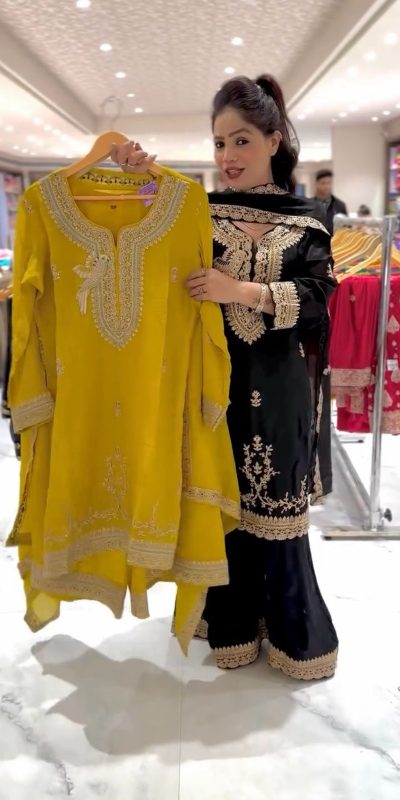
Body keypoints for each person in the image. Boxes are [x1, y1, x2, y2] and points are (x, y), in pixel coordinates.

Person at [111, 74, 339, 680]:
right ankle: (230, 619)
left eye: (241, 141)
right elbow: (152, 244)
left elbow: (319, 302)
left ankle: (293, 633)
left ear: (273, 140)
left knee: (280, 511)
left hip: (282, 386)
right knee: (224, 505)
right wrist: (138, 181)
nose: (228, 157)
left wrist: (238, 290)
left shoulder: (310, 219)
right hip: (215, 385)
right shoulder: (199, 213)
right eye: (218, 143)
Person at [314, 169, 347, 234]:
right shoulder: (309, 206)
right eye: (323, 183)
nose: (326, 186)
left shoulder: (340, 205)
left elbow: (346, 228)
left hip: (335, 240)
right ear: (316, 184)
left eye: (329, 183)